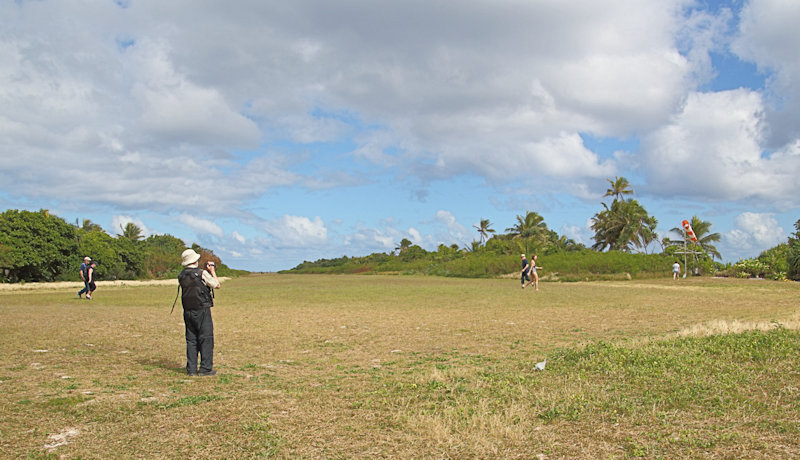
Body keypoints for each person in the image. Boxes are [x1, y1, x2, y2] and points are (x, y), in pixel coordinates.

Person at [178, 248, 221, 377]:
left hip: (187, 310)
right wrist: (212, 272)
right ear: (195, 261)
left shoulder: (182, 275)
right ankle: (205, 368)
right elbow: (216, 285)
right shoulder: (201, 273)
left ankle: (191, 369)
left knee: (191, 340)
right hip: (202, 309)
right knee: (206, 338)